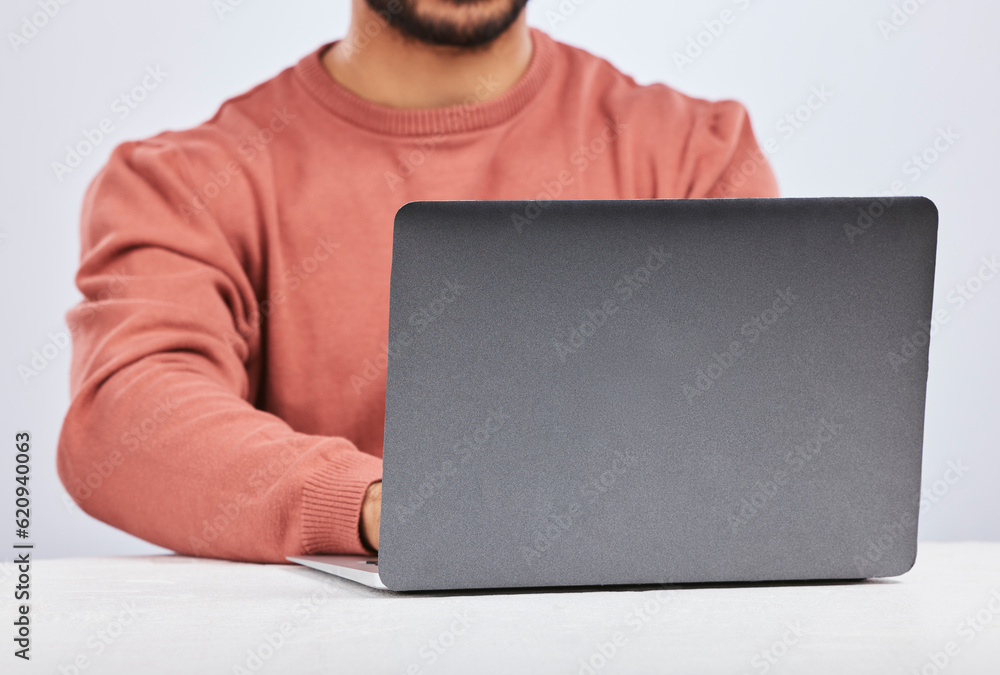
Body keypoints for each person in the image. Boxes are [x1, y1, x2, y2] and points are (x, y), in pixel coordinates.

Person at [57, 0, 779, 563]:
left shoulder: (694, 157)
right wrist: (378, 505)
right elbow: (128, 415)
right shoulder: (183, 183)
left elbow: (769, 440)